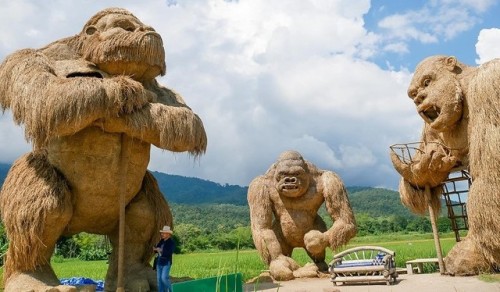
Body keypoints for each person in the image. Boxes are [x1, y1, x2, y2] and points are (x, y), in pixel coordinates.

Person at [154, 225, 175, 292]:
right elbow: (157, 248)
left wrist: (160, 250)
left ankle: (171, 290)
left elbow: (169, 253)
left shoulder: (171, 243)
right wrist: (155, 249)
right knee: (159, 279)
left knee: (164, 278)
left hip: (166, 262)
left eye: (164, 233)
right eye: (162, 233)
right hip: (159, 262)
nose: (162, 234)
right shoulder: (161, 241)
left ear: (168, 234)